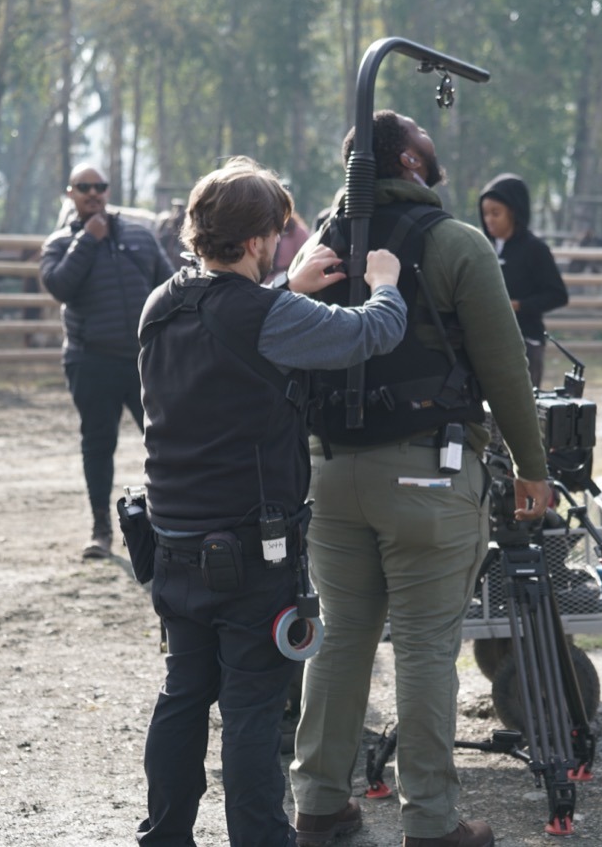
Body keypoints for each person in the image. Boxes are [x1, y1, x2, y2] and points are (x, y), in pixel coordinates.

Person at [287, 111, 552, 847]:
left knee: (339, 640)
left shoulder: (319, 245)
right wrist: (532, 469)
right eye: (418, 132)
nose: (430, 139)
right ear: (408, 160)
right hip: (428, 479)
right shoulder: (456, 242)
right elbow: (505, 368)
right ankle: (432, 823)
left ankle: (318, 806)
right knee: (426, 648)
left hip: (330, 475)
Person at [135, 156, 406, 847]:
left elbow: (229, 323)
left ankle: (164, 836)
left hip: (172, 544)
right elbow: (370, 333)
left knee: (182, 696)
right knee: (252, 711)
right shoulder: (268, 314)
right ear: (257, 239)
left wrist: (287, 286)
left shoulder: (161, 304)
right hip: (252, 555)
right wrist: (385, 284)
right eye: (279, 234)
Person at [40, 162, 174, 560]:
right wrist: (88, 240)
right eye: (84, 187)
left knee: (166, 442)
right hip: (91, 361)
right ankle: (101, 529)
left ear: (107, 190)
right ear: (71, 193)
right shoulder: (59, 244)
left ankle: (169, 524)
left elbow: (168, 287)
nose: (93, 193)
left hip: (143, 362)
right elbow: (60, 286)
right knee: (98, 444)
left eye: (99, 186)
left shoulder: (140, 237)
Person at [478, 173, 569, 388]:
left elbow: (558, 295)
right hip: (488, 341)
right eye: (485, 213)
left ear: (514, 211)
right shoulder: (483, 247)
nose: (489, 220)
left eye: (496, 213)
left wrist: (518, 305)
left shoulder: (535, 249)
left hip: (526, 341)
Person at [265, 212, 311, 285]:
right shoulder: (266, 229)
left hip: (286, 279)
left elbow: (304, 262)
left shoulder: (299, 233)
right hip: (265, 280)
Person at [156, 198, 188, 267]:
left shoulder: (183, 218)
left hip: (178, 243)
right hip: (169, 243)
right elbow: (160, 233)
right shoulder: (167, 219)